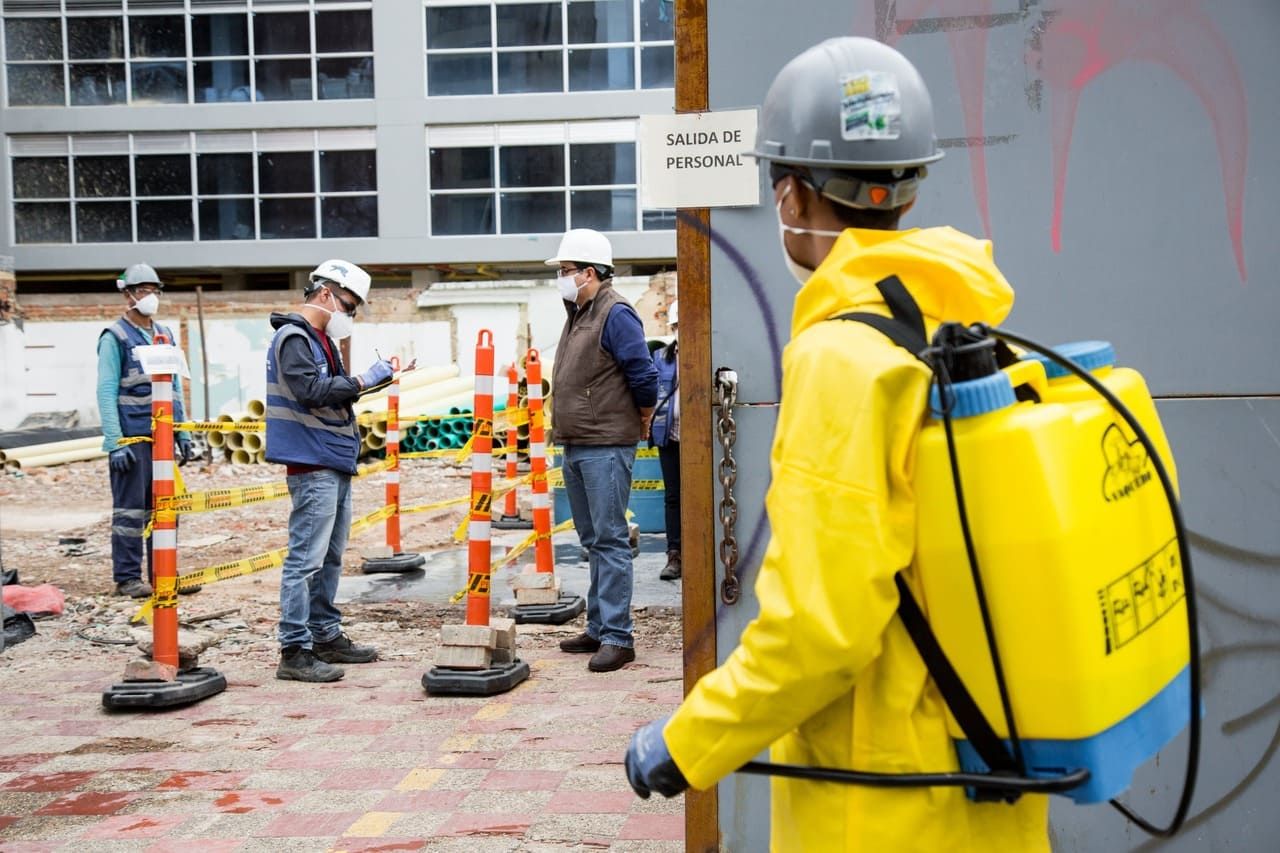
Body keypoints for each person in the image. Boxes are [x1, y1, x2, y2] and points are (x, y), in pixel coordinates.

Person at [624, 38, 1050, 850]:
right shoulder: (964, 327)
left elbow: (820, 631)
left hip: (885, 799)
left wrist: (686, 742)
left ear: (790, 194)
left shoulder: (840, 359)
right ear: (909, 186)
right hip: (989, 773)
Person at [265, 259, 393, 683]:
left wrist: (373, 382)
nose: (350, 315)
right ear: (325, 294)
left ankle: (324, 634)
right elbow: (311, 392)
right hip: (312, 460)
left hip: (332, 459)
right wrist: (363, 380)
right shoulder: (295, 337)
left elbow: (333, 394)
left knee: (330, 558)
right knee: (306, 560)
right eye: (349, 305)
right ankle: (295, 649)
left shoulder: (320, 340)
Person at [547, 229, 659, 673]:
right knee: (592, 539)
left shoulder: (615, 313)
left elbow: (643, 374)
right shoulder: (579, 312)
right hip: (577, 443)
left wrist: (644, 416)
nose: (561, 278)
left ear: (589, 272)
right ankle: (598, 626)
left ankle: (618, 637)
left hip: (605, 444)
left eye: (565, 271)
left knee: (610, 539)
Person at [98, 263, 194, 599]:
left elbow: (174, 389)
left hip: (163, 439)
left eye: (154, 290)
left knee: (165, 508)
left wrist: (182, 434)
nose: (150, 297)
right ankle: (127, 578)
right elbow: (106, 390)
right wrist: (114, 442)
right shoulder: (116, 337)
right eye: (142, 291)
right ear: (127, 295)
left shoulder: (164, 334)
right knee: (130, 511)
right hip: (132, 440)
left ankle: (163, 574)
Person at [650, 299, 681, 581]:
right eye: (678, 325)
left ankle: (701, 550)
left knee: (703, 496)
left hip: (703, 441)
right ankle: (675, 554)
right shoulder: (662, 358)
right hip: (670, 437)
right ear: (672, 328)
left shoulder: (713, 351)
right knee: (673, 496)